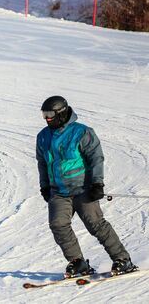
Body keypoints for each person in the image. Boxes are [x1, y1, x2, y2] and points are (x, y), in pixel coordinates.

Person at [36, 95, 136, 277]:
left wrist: (97, 183)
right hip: (58, 191)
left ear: (61, 112)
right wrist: (44, 186)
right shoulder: (43, 136)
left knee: (96, 224)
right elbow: (42, 162)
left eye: (50, 113)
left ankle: (122, 259)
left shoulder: (82, 132)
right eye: (44, 114)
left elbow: (95, 158)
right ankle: (77, 262)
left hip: (83, 189)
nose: (47, 118)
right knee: (58, 224)